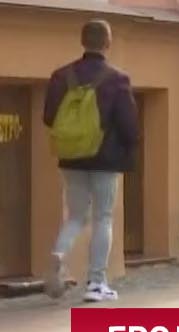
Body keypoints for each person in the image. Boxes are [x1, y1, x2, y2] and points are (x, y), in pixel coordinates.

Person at [42, 20, 141, 301]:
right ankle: (96, 283)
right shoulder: (116, 78)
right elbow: (128, 124)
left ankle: (59, 254)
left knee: (75, 215)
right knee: (103, 217)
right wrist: (130, 147)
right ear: (107, 43)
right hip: (105, 159)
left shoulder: (61, 76)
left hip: (71, 157)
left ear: (82, 40)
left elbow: (49, 117)